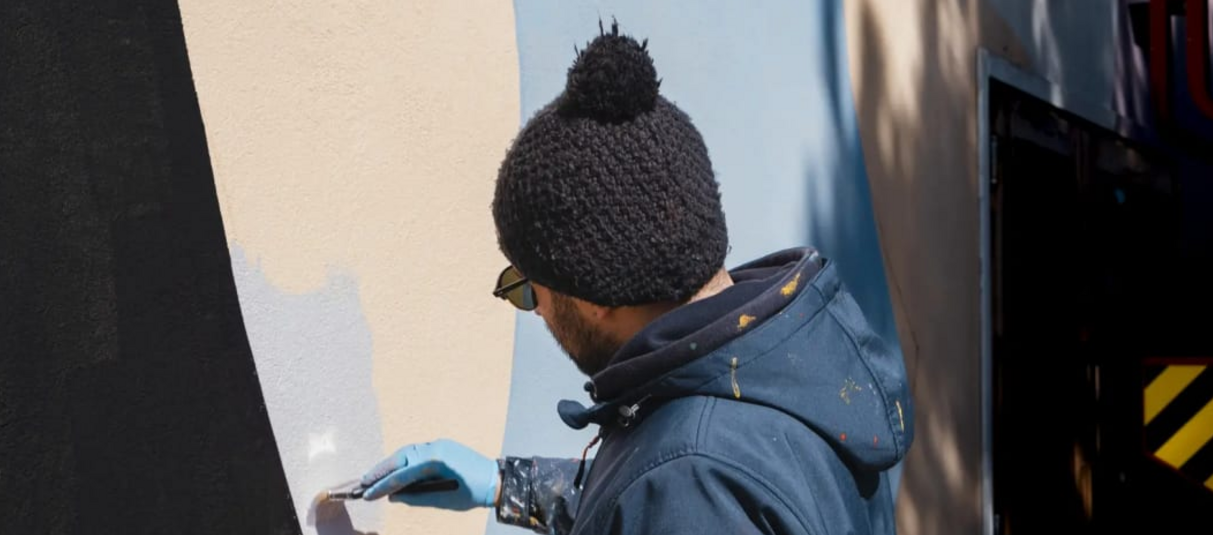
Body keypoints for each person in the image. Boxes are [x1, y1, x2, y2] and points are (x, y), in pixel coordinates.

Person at [359, 22, 914, 535]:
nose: (533, 310)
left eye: (529, 288)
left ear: (594, 294)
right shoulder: (781, 369)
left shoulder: (692, 480)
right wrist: (511, 485)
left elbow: (675, 489)